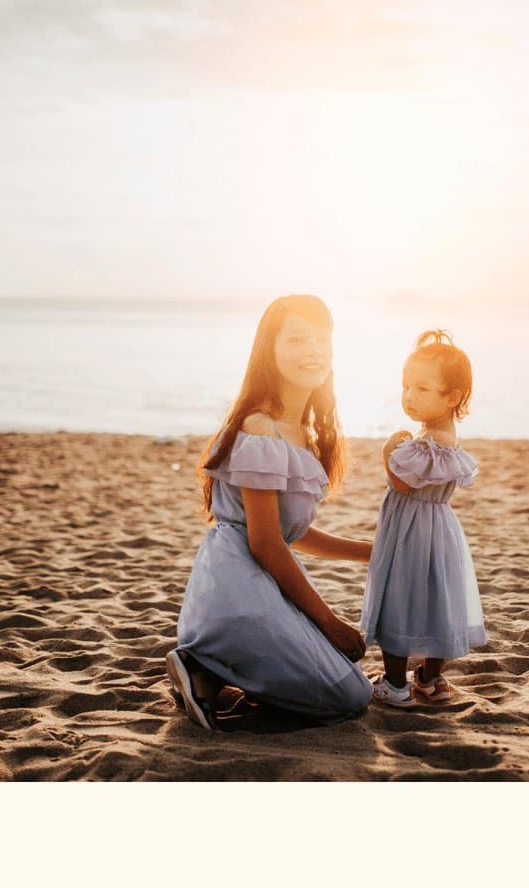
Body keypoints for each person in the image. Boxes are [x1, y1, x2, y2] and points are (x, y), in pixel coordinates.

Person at [166, 295, 373, 729]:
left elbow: (291, 532)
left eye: (322, 339)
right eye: (297, 339)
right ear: (269, 351)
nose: (313, 349)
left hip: (257, 578)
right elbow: (264, 543)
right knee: (350, 695)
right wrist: (330, 621)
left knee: (348, 681)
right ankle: (206, 664)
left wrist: (369, 553)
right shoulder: (261, 427)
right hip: (237, 587)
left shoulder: (303, 432)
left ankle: (211, 677)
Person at [360, 330, 486, 706]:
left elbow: (402, 480)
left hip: (412, 529)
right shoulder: (441, 435)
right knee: (438, 600)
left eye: (422, 389)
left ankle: (396, 684)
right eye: (406, 386)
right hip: (438, 529)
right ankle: (430, 678)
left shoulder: (432, 443)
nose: (409, 397)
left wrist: (388, 450)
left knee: (400, 597)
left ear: (453, 397)